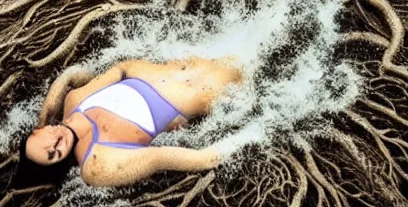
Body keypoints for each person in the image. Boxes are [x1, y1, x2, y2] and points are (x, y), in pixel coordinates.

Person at [15, 56, 244, 188]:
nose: (56, 144)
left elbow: (118, 69)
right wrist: (229, 148)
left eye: (47, 143)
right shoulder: (96, 166)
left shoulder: (74, 100)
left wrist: (53, 98)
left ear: (40, 129)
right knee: (251, 57)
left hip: (181, 64)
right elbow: (159, 157)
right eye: (53, 155)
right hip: (197, 92)